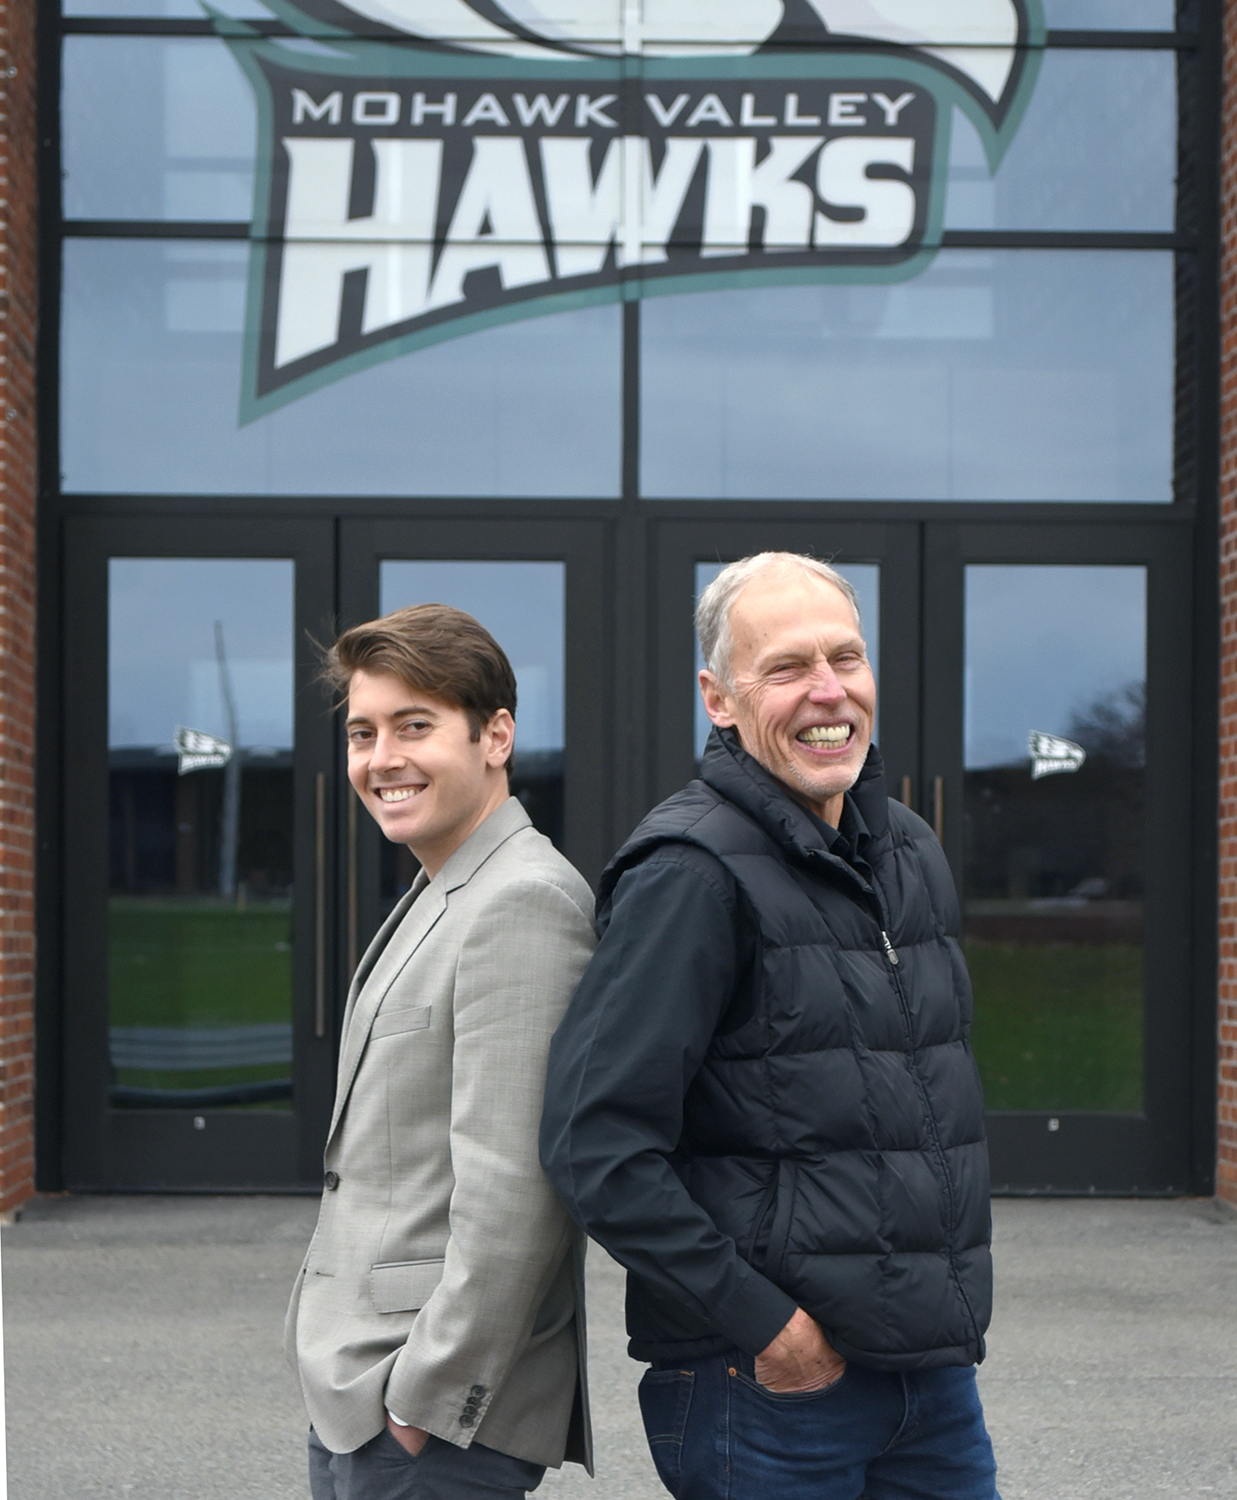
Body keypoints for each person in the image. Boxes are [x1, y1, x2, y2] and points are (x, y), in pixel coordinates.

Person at [541, 552, 998, 1500]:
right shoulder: (689, 874)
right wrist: (768, 1328)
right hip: (770, 1390)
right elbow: (595, 1144)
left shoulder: (906, 847)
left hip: (930, 1376)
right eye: (786, 668)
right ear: (718, 699)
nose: (827, 691)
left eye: (846, 658)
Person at [289, 604, 596, 1500]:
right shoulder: (445, 885)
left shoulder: (523, 901)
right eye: (362, 732)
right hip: (361, 1389)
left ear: (494, 734)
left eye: (413, 726)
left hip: (428, 1416)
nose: (381, 758)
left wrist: (420, 1407)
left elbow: (518, 1189)